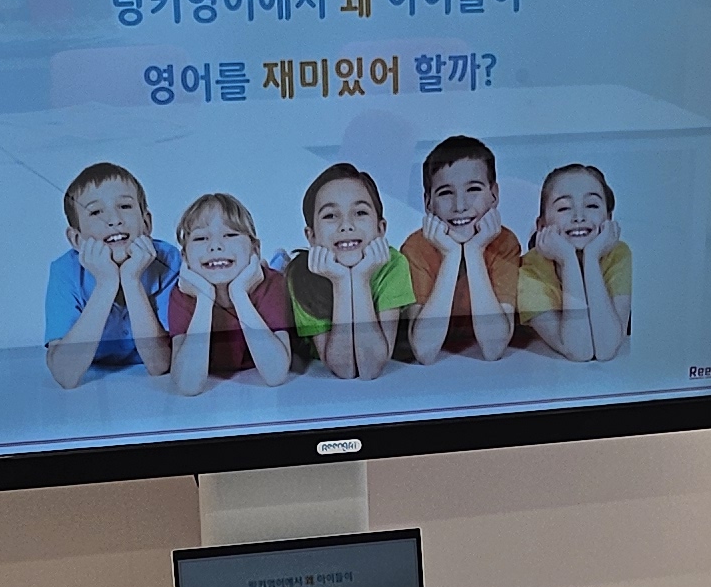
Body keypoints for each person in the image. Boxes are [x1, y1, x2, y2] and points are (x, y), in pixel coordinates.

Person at [42, 163, 173, 388]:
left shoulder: (169, 261)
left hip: (147, 388)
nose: (114, 220)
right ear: (77, 239)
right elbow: (65, 375)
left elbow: (159, 365)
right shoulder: (64, 271)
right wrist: (105, 283)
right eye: (96, 212)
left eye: (125, 206)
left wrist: (132, 280)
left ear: (146, 223)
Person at [398, 135, 523, 361]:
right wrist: (451, 254)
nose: (460, 206)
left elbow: (493, 348)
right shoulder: (416, 247)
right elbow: (425, 351)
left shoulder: (504, 243)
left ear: (494, 195)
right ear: (428, 203)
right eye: (446, 193)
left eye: (473, 189)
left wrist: (474, 251)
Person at [286, 162, 415, 380]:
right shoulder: (300, 275)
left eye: (360, 212)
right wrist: (341, 282)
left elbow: (370, 368)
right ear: (311, 236)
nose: (346, 225)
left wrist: (361, 279)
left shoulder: (393, 264)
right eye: (330, 216)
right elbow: (344, 369)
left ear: (381, 228)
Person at [163, 192, 294, 394]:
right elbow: (188, 385)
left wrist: (239, 294)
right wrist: (204, 299)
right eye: (201, 238)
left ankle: (280, 260)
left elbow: (275, 374)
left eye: (230, 235)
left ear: (255, 248)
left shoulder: (271, 284)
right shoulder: (184, 294)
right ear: (185, 257)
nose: (216, 246)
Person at [517, 161, 634, 362]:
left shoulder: (618, 254)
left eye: (592, 205)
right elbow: (579, 351)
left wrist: (592, 258)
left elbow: (607, 349)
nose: (579, 217)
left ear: (608, 218)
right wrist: (568, 260)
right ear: (542, 225)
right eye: (564, 208)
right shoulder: (529, 270)